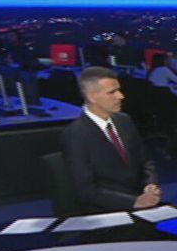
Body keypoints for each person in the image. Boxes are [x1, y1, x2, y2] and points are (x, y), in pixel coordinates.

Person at [61, 66, 161, 212]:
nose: (121, 96)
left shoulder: (125, 120)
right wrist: (134, 202)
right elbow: (86, 190)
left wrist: (150, 185)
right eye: (112, 92)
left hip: (142, 203)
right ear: (92, 97)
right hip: (107, 210)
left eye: (119, 90)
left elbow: (145, 162)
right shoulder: (75, 134)